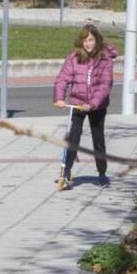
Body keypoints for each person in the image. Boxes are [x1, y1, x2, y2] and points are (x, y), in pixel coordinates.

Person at [54, 24, 117, 189]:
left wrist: (93, 104)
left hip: (97, 106)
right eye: (85, 40)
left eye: (91, 40)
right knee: (73, 138)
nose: (88, 44)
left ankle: (102, 172)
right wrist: (59, 97)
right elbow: (62, 78)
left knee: (98, 139)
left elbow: (105, 84)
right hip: (77, 103)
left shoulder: (105, 59)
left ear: (97, 40)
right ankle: (66, 171)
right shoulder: (74, 58)